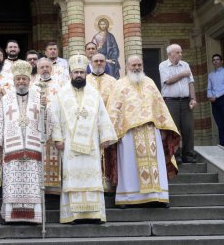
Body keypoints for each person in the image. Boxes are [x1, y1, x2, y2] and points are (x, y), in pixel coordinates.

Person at [51, 54, 117, 224]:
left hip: (92, 145)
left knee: (93, 178)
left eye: (81, 72)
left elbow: (103, 115)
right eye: (76, 72)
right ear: (70, 74)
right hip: (69, 146)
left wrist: (105, 137)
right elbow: (54, 117)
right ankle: (72, 215)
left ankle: (95, 214)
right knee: (72, 178)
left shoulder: (94, 94)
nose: (79, 75)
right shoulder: (61, 94)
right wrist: (57, 138)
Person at [107, 55, 179, 207]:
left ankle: (157, 196)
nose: (137, 67)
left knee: (155, 164)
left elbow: (159, 105)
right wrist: (113, 132)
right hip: (128, 133)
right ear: (127, 67)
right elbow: (113, 109)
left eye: (139, 64)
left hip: (151, 131)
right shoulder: (119, 84)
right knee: (129, 166)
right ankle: (128, 198)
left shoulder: (150, 83)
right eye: (133, 65)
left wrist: (164, 126)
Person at [0, 61, 45, 223]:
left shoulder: (38, 98)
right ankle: (11, 216)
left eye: (24, 79)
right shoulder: (6, 99)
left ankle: (34, 217)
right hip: (11, 148)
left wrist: (45, 109)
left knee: (32, 183)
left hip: (33, 146)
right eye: (18, 79)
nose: (21, 81)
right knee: (12, 182)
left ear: (29, 81)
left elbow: (46, 124)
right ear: (14, 81)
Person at [159, 44, 197, 164]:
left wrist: (193, 98)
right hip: (171, 101)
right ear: (170, 54)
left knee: (188, 128)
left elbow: (191, 83)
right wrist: (183, 74)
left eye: (181, 52)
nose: (181, 54)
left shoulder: (185, 65)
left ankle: (189, 155)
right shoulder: (163, 65)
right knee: (173, 129)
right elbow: (168, 81)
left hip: (186, 101)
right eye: (178, 52)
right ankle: (175, 155)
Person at [31, 57, 64, 194]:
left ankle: (55, 190)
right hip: (38, 129)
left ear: (52, 69)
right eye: (42, 67)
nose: (45, 69)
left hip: (56, 128)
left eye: (47, 67)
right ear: (37, 70)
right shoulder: (32, 87)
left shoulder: (61, 86)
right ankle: (40, 188)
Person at [207, 54, 224, 149]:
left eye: (218, 59)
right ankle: (222, 143)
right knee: (219, 121)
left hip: (222, 98)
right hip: (214, 101)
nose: (216, 61)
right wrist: (209, 96)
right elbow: (209, 88)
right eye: (214, 60)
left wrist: (216, 96)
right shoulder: (211, 75)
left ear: (221, 61)